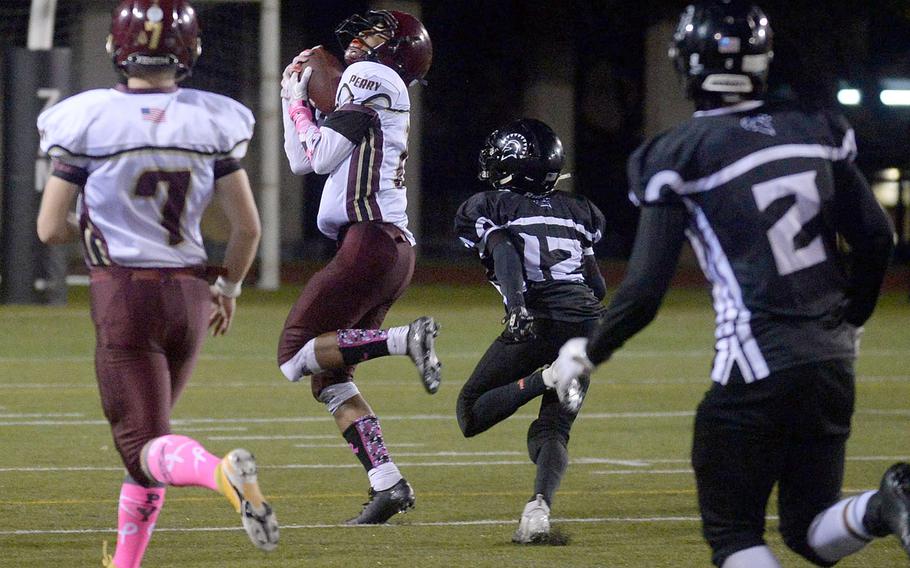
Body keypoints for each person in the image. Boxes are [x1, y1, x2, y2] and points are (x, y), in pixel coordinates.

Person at [545, 1, 906, 566]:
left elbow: (643, 294)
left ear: (687, 65)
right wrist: (851, 321)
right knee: (810, 529)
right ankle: (885, 506)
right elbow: (877, 239)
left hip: (755, 363)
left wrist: (587, 351)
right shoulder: (815, 126)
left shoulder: (678, 153)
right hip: (830, 362)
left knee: (734, 534)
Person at [35, 1, 278, 565]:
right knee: (151, 443)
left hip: (124, 292)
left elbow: (49, 229)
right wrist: (231, 289)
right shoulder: (212, 118)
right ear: (189, 51)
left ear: (118, 49)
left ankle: (222, 474)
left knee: (141, 444)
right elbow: (247, 227)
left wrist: (97, 230)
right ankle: (126, 563)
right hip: (191, 294)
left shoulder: (87, 117)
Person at [278, 9, 440, 524]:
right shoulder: (372, 86)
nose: (360, 39)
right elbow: (302, 160)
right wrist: (293, 101)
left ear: (394, 50)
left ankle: (403, 340)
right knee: (329, 379)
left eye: (375, 34)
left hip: (370, 241)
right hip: (383, 246)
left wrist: (305, 107)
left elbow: (321, 156)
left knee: (293, 355)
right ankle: (388, 483)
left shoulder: (375, 76)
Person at [454, 119, 607, 543]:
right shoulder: (581, 211)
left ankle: (546, 376)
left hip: (538, 317)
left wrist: (517, 307)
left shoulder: (489, 206)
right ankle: (538, 509)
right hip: (585, 325)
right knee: (552, 430)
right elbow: (596, 286)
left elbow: (502, 246)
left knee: (469, 411)